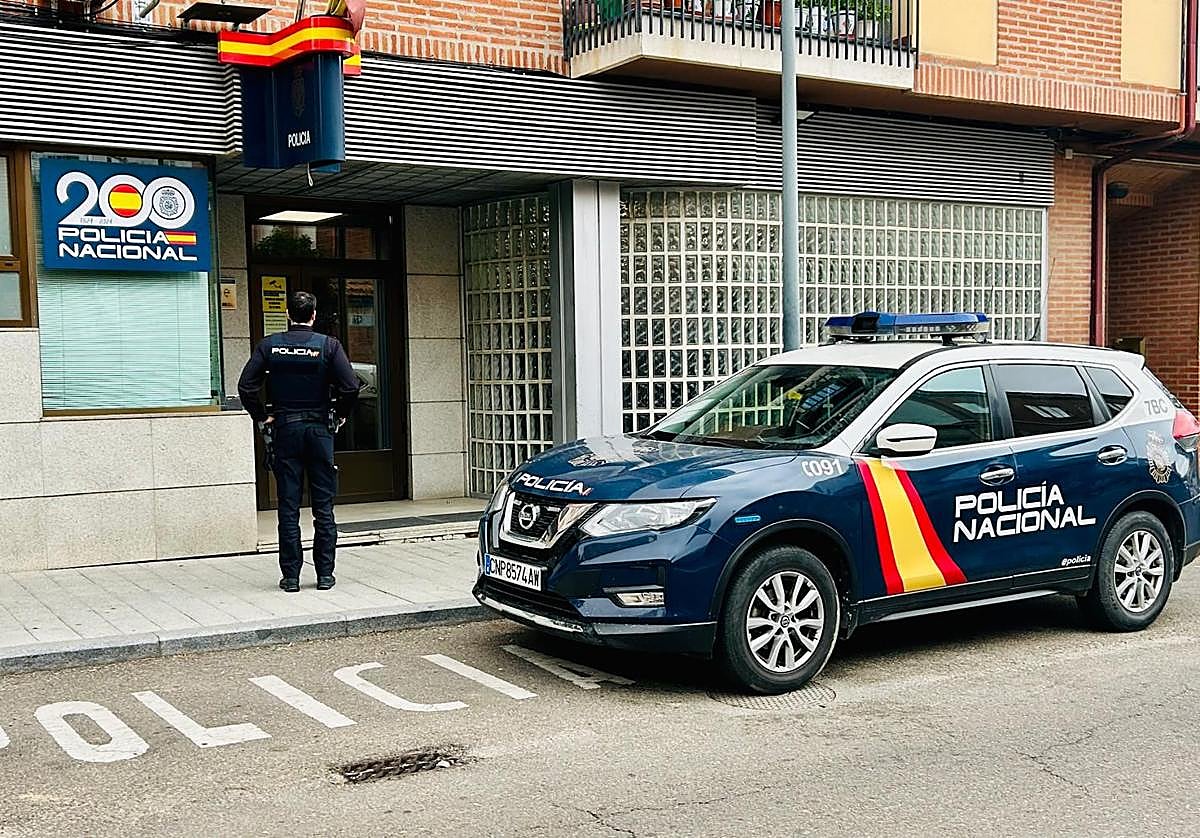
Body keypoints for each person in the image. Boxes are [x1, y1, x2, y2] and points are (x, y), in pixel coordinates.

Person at [238, 291, 360, 593]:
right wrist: (340, 415)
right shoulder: (328, 346)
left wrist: (261, 416)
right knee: (323, 507)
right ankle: (325, 575)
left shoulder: (270, 346)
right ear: (313, 314)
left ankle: (291, 577)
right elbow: (350, 386)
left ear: (288, 314)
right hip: (319, 431)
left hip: (286, 431)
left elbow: (246, 386)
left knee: (288, 507)